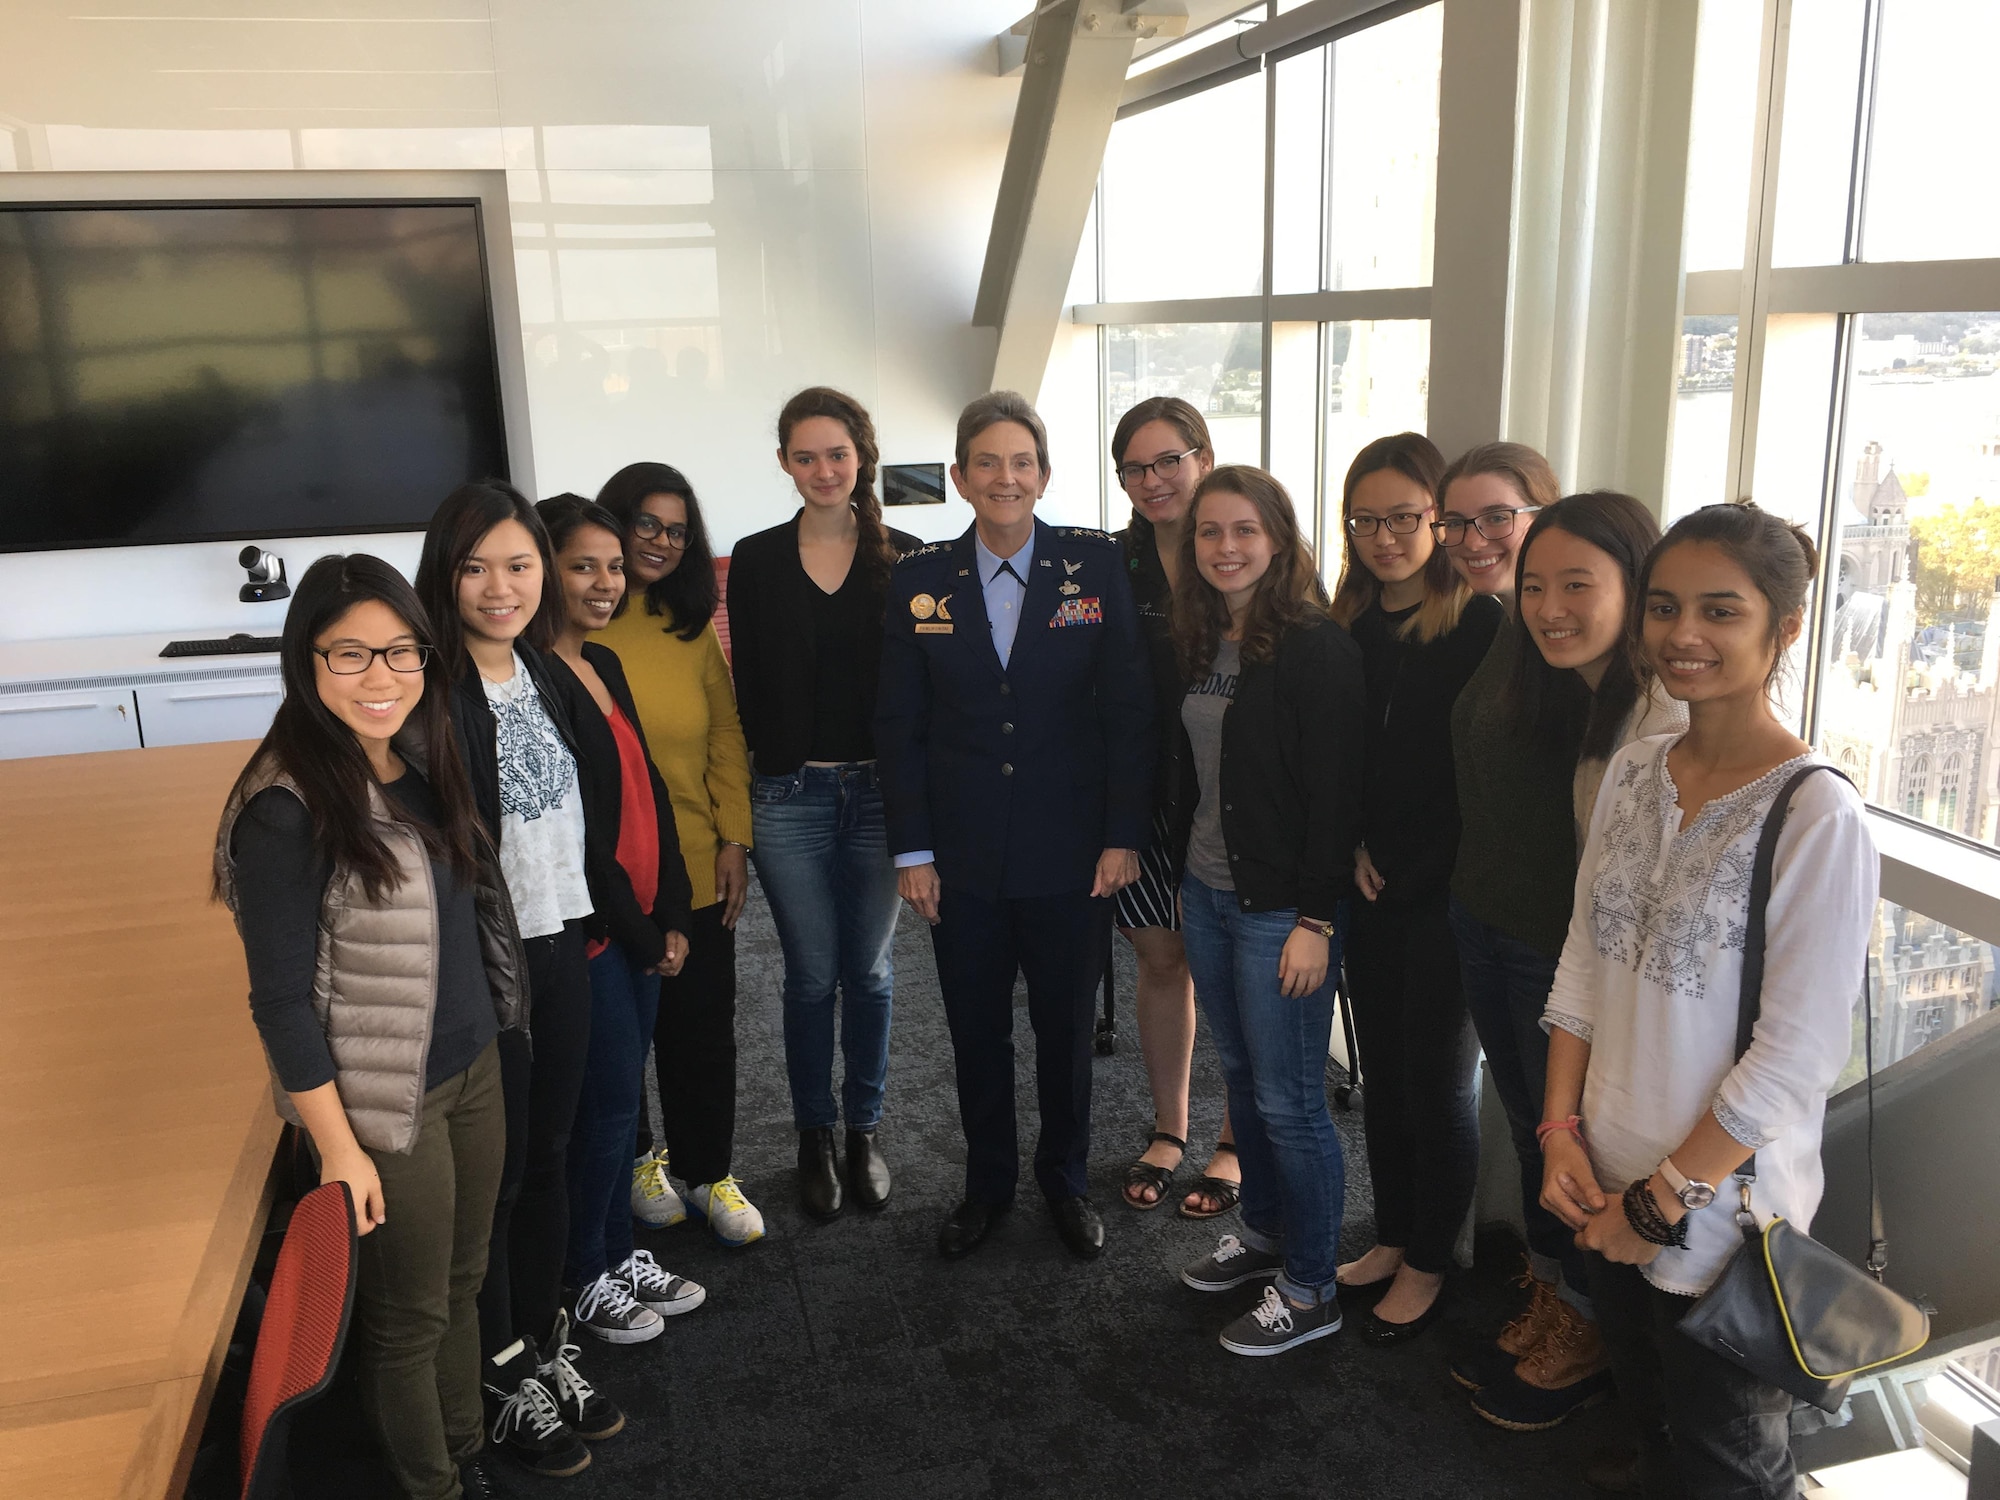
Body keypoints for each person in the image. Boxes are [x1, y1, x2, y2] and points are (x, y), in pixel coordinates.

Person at [1539, 502, 1875, 1498]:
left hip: (1718, 1212)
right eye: (1663, 608)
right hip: (1599, 1176)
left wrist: (1659, 1202)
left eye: (1718, 612)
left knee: (1730, 1459)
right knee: (1645, 1416)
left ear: (1781, 629)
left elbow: (1793, 1058)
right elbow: (1581, 966)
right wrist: (1559, 1131)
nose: (1682, 635)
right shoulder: (1636, 767)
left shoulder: (1815, 811)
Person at [216, 553, 516, 1500]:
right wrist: (340, 1151)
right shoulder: (284, 807)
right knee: (409, 1318)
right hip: (389, 1107)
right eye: (350, 656)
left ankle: (467, 1451)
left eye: (400, 652)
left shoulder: (419, 755)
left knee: (465, 1283)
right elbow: (277, 1004)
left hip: (471, 1065)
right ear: (305, 662)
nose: (381, 678)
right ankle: (433, 1486)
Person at [875, 389, 1154, 1262]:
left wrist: (1123, 834)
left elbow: (1129, 711)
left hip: (1073, 854)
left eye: (1022, 462)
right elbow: (900, 726)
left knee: (1067, 1032)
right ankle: (988, 1183)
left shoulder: (1095, 565)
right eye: (987, 463)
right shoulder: (919, 578)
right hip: (960, 859)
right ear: (960, 477)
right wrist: (913, 850)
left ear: (1044, 475)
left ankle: (1064, 1181)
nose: (1006, 477)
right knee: (976, 1030)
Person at [415, 481, 609, 1479]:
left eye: (519, 564)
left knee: (556, 1152)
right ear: (444, 575)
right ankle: (496, 1371)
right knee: (495, 1182)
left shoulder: (545, 672)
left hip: (561, 940)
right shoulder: (427, 695)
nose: (501, 586)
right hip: (486, 970)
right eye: (476, 565)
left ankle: (539, 1340)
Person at [1434, 444, 1615, 1429]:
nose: (1472, 542)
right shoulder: (1508, 631)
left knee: (1570, 1142)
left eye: (1494, 519)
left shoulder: (1604, 665)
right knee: (1524, 1119)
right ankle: (1554, 1296)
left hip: (1558, 954)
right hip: (1484, 918)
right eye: (1454, 524)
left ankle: (1583, 1325)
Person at [1169, 465, 1366, 1357]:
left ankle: (1313, 1287)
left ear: (1279, 539)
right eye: (1210, 532)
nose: (1225, 547)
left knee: (1291, 1105)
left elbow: (1338, 796)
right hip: (1208, 892)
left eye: (1244, 530)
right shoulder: (1206, 635)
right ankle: (1265, 1235)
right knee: (1242, 1081)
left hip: (1280, 909)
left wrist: (1316, 921)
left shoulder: (1315, 647)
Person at [726, 389, 920, 1221]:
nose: (822, 471)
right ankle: (812, 1133)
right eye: (804, 457)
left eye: (836, 454)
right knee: (810, 975)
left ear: (862, 458)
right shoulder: (756, 560)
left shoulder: (909, 558)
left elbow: (925, 695)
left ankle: (862, 1131)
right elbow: (747, 694)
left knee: (871, 973)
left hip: (882, 795)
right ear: (783, 464)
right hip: (788, 795)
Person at [1327, 434, 1502, 1344]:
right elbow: (1345, 759)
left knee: (1436, 1079)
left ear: (1437, 519)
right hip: (1368, 881)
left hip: (1446, 890)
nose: (1384, 537)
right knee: (1383, 1071)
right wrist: (1353, 843)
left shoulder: (1480, 623)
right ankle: (1394, 1234)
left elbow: (1480, 778)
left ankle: (1435, 1257)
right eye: (1367, 520)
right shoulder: (1349, 623)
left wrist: (1423, 865)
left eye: (1403, 518)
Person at [535, 494, 708, 1344]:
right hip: (600, 934)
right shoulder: (536, 682)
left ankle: (616, 1249)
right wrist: (642, 933)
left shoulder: (603, 658)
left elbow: (654, 802)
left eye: (613, 565)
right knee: (604, 1111)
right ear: (545, 571)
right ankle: (589, 1272)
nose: (604, 583)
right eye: (582, 566)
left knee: (621, 1099)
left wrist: (674, 910)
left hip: (644, 922)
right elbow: (580, 834)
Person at [594, 462, 764, 1248]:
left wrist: (736, 837)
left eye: (677, 530)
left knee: (702, 1031)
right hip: (610, 878)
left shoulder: (689, 627)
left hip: (697, 861)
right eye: (646, 524)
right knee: (622, 1033)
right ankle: (635, 1161)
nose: (660, 542)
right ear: (615, 524)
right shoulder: (574, 626)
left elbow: (727, 735)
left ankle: (709, 1170)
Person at [1108, 396, 1241, 1218]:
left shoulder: (1237, 547)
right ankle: (1170, 1128)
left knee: (1228, 974)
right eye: (1135, 467)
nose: (1154, 480)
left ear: (1202, 455)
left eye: (1169, 461)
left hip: (1228, 804)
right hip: (1139, 795)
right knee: (1163, 962)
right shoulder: (1110, 562)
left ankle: (1235, 1139)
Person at [1508, 492, 1686, 844]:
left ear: (1637, 587)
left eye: (1576, 585)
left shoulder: (1664, 721)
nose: (1548, 610)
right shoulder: (1588, 695)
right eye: (1533, 587)